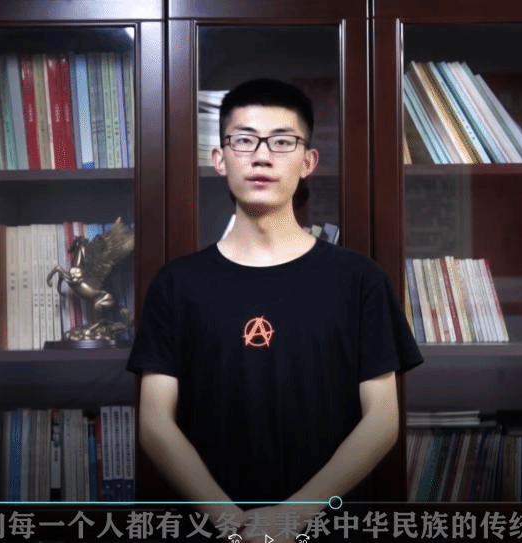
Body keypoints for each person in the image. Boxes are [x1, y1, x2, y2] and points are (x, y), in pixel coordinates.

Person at [126, 78, 423, 542]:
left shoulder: (359, 281)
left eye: (282, 142)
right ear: (219, 159)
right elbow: (154, 423)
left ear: (308, 162)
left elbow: (382, 420)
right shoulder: (177, 285)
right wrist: (231, 521)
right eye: (244, 140)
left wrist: (292, 515)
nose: (262, 157)